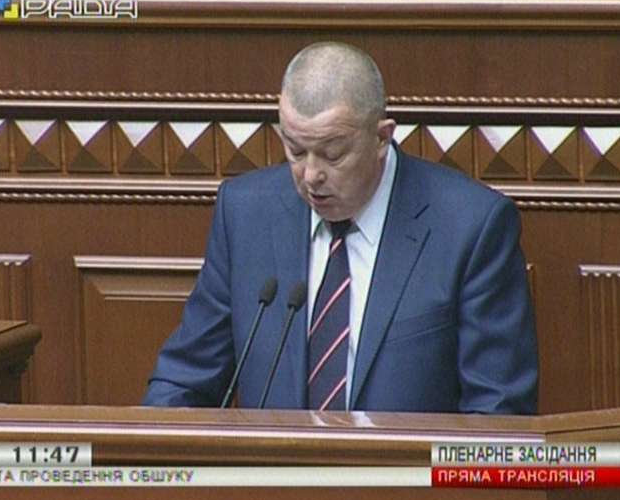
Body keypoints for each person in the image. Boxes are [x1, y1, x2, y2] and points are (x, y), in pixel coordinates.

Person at [143, 41, 538, 414]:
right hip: (271, 464)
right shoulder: (246, 214)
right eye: (296, 151)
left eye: (333, 155)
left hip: (407, 466)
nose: (310, 175)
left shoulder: (471, 227)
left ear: (381, 138)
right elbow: (185, 380)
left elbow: (497, 413)